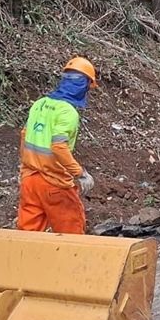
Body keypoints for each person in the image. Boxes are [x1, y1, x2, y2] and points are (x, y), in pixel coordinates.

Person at [17, 58, 98, 233]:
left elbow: (24, 136)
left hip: (30, 180)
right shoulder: (67, 112)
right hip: (55, 183)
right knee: (71, 234)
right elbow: (58, 146)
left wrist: (24, 169)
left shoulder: (39, 104)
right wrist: (81, 174)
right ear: (84, 86)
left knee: (27, 235)